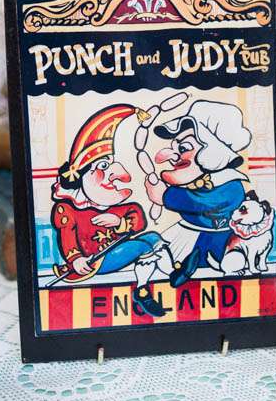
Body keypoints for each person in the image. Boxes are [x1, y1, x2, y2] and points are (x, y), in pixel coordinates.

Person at [51, 104, 173, 317]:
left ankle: (166, 278)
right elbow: (67, 237)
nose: (116, 175)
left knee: (153, 237)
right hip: (94, 262)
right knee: (142, 245)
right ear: (82, 176)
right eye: (103, 167)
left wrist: (119, 222)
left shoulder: (114, 207)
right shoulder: (68, 209)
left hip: (114, 250)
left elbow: (138, 219)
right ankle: (153, 285)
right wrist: (76, 259)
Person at [145, 99, 251, 287]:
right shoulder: (202, 179)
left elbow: (203, 202)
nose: (172, 156)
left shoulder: (230, 184)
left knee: (197, 262)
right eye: (175, 147)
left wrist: (166, 196)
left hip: (214, 239)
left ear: (212, 153)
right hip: (187, 232)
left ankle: (185, 271)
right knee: (155, 249)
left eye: (184, 148)